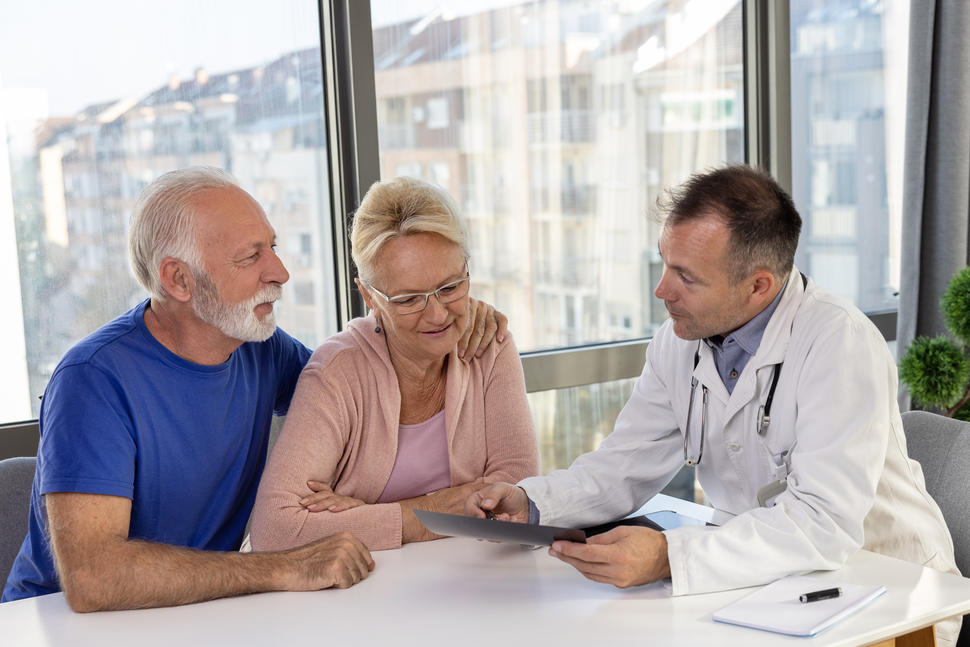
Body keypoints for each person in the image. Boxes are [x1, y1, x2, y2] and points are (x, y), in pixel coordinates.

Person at [466, 165, 961, 644]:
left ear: (758, 285)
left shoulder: (839, 343)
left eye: (687, 277)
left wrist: (668, 556)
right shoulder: (678, 341)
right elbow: (624, 466)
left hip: (886, 592)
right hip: (756, 584)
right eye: (664, 263)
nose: (662, 290)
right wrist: (533, 503)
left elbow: (822, 522)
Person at [2, 167, 505, 611]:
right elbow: (96, 578)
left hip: (201, 610)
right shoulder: (92, 379)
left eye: (274, 247)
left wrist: (447, 319)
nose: (281, 273)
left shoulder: (260, 348)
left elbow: (368, 399)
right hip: (58, 625)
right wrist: (283, 566)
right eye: (251, 257)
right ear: (179, 280)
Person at [250, 176, 539, 551]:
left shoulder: (489, 346)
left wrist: (365, 514)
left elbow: (517, 499)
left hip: (476, 583)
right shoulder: (338, 371)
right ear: (369, 296)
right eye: (408, 299)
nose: (437, 315)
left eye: (450, 287)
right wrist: (434, 510)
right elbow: (275, 530)